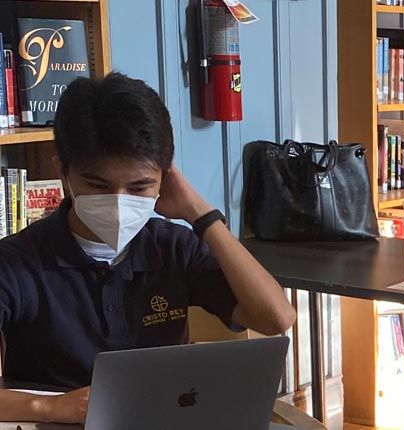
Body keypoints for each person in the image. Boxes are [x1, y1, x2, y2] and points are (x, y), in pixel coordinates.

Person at [0, 73, 297, 424]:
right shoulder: (16, 263)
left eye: (140, 187)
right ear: (62, 172)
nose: (118, 202)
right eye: (97, 185)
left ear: (166, 179)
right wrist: (53, 407)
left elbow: (276, 318)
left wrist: (199, 214)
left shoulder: (172, 246)